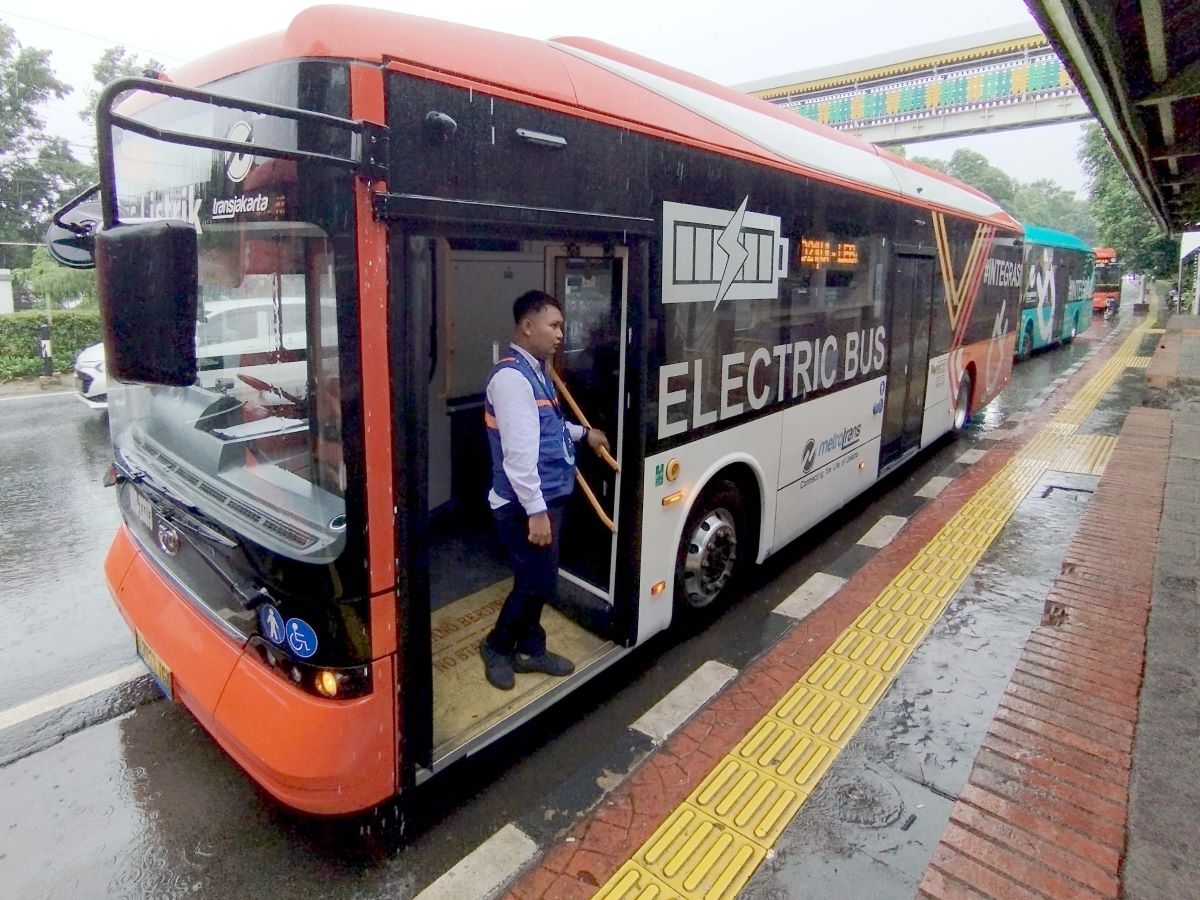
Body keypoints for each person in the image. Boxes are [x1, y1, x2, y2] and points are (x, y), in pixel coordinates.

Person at [480, 290, 610, 690]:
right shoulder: (510, 379)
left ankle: (532, 648)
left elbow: (547, 429)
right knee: (536, 581)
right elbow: (519, 455)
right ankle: (498, 647)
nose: (560, 334)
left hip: (546, 497)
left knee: (539, 577)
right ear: (527, 326)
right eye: (553, 326)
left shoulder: (535, 370)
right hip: (523, 505)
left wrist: (584, 434)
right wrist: (536, 512)